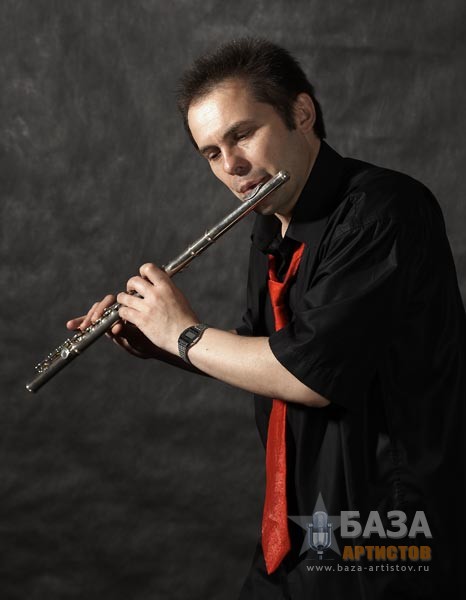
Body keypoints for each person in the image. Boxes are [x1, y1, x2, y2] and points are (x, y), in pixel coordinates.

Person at [67, 38, 466, 598]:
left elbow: (308, 374)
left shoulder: (383, 210)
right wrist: (158, 341)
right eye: (211, 153)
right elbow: (266, 354)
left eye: (242, 135)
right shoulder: (272, 225)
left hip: (386, 534)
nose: (231, 167)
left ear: (301, 114)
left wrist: (183, 333)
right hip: (301, 526)